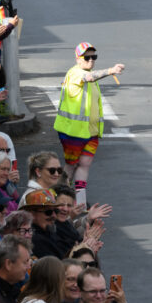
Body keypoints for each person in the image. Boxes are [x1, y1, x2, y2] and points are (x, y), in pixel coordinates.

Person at [53, 42, 124, 207]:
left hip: (90, 131)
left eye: (94, 57)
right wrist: (111, 71)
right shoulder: (76, 73)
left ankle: (80, 203)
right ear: (78, 59)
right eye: (87, 57)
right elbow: (89, 78)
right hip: (73, 132)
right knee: (71, 166)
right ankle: (59, 198)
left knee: (85, 164)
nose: (91, 60)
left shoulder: (88, 72)